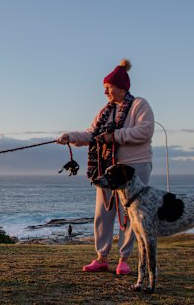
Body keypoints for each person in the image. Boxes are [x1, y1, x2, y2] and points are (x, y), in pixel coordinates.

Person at [57, 59, 154, 275]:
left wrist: (114, 136)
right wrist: (70, 136)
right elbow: (91, 134)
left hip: (135, 167)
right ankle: (101, 257)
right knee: (103, 211)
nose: (105, 93)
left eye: (108, 88)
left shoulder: (140, 105)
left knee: (129, 213)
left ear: (121, 87)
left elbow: (145, 131)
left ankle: (124, 259)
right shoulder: (105, 111)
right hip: (107, 166)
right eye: (104, 89)